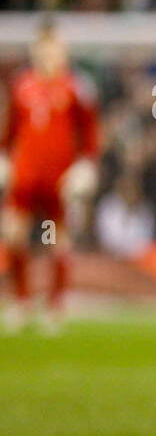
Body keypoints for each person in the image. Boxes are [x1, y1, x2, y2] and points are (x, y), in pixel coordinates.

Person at [1, 23, 99, 334]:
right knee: (14, 234)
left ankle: (56, 305)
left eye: (55, 48)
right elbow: (11, 131)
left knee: (58, 241)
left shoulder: (76, 86)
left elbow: (90, 133)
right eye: (45, 48)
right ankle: (22, 301)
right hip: (26, 175)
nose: (50, 54)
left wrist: (87, 164)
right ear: (36, 51)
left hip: (59, 177)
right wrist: (4, 158)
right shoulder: (22, 86)